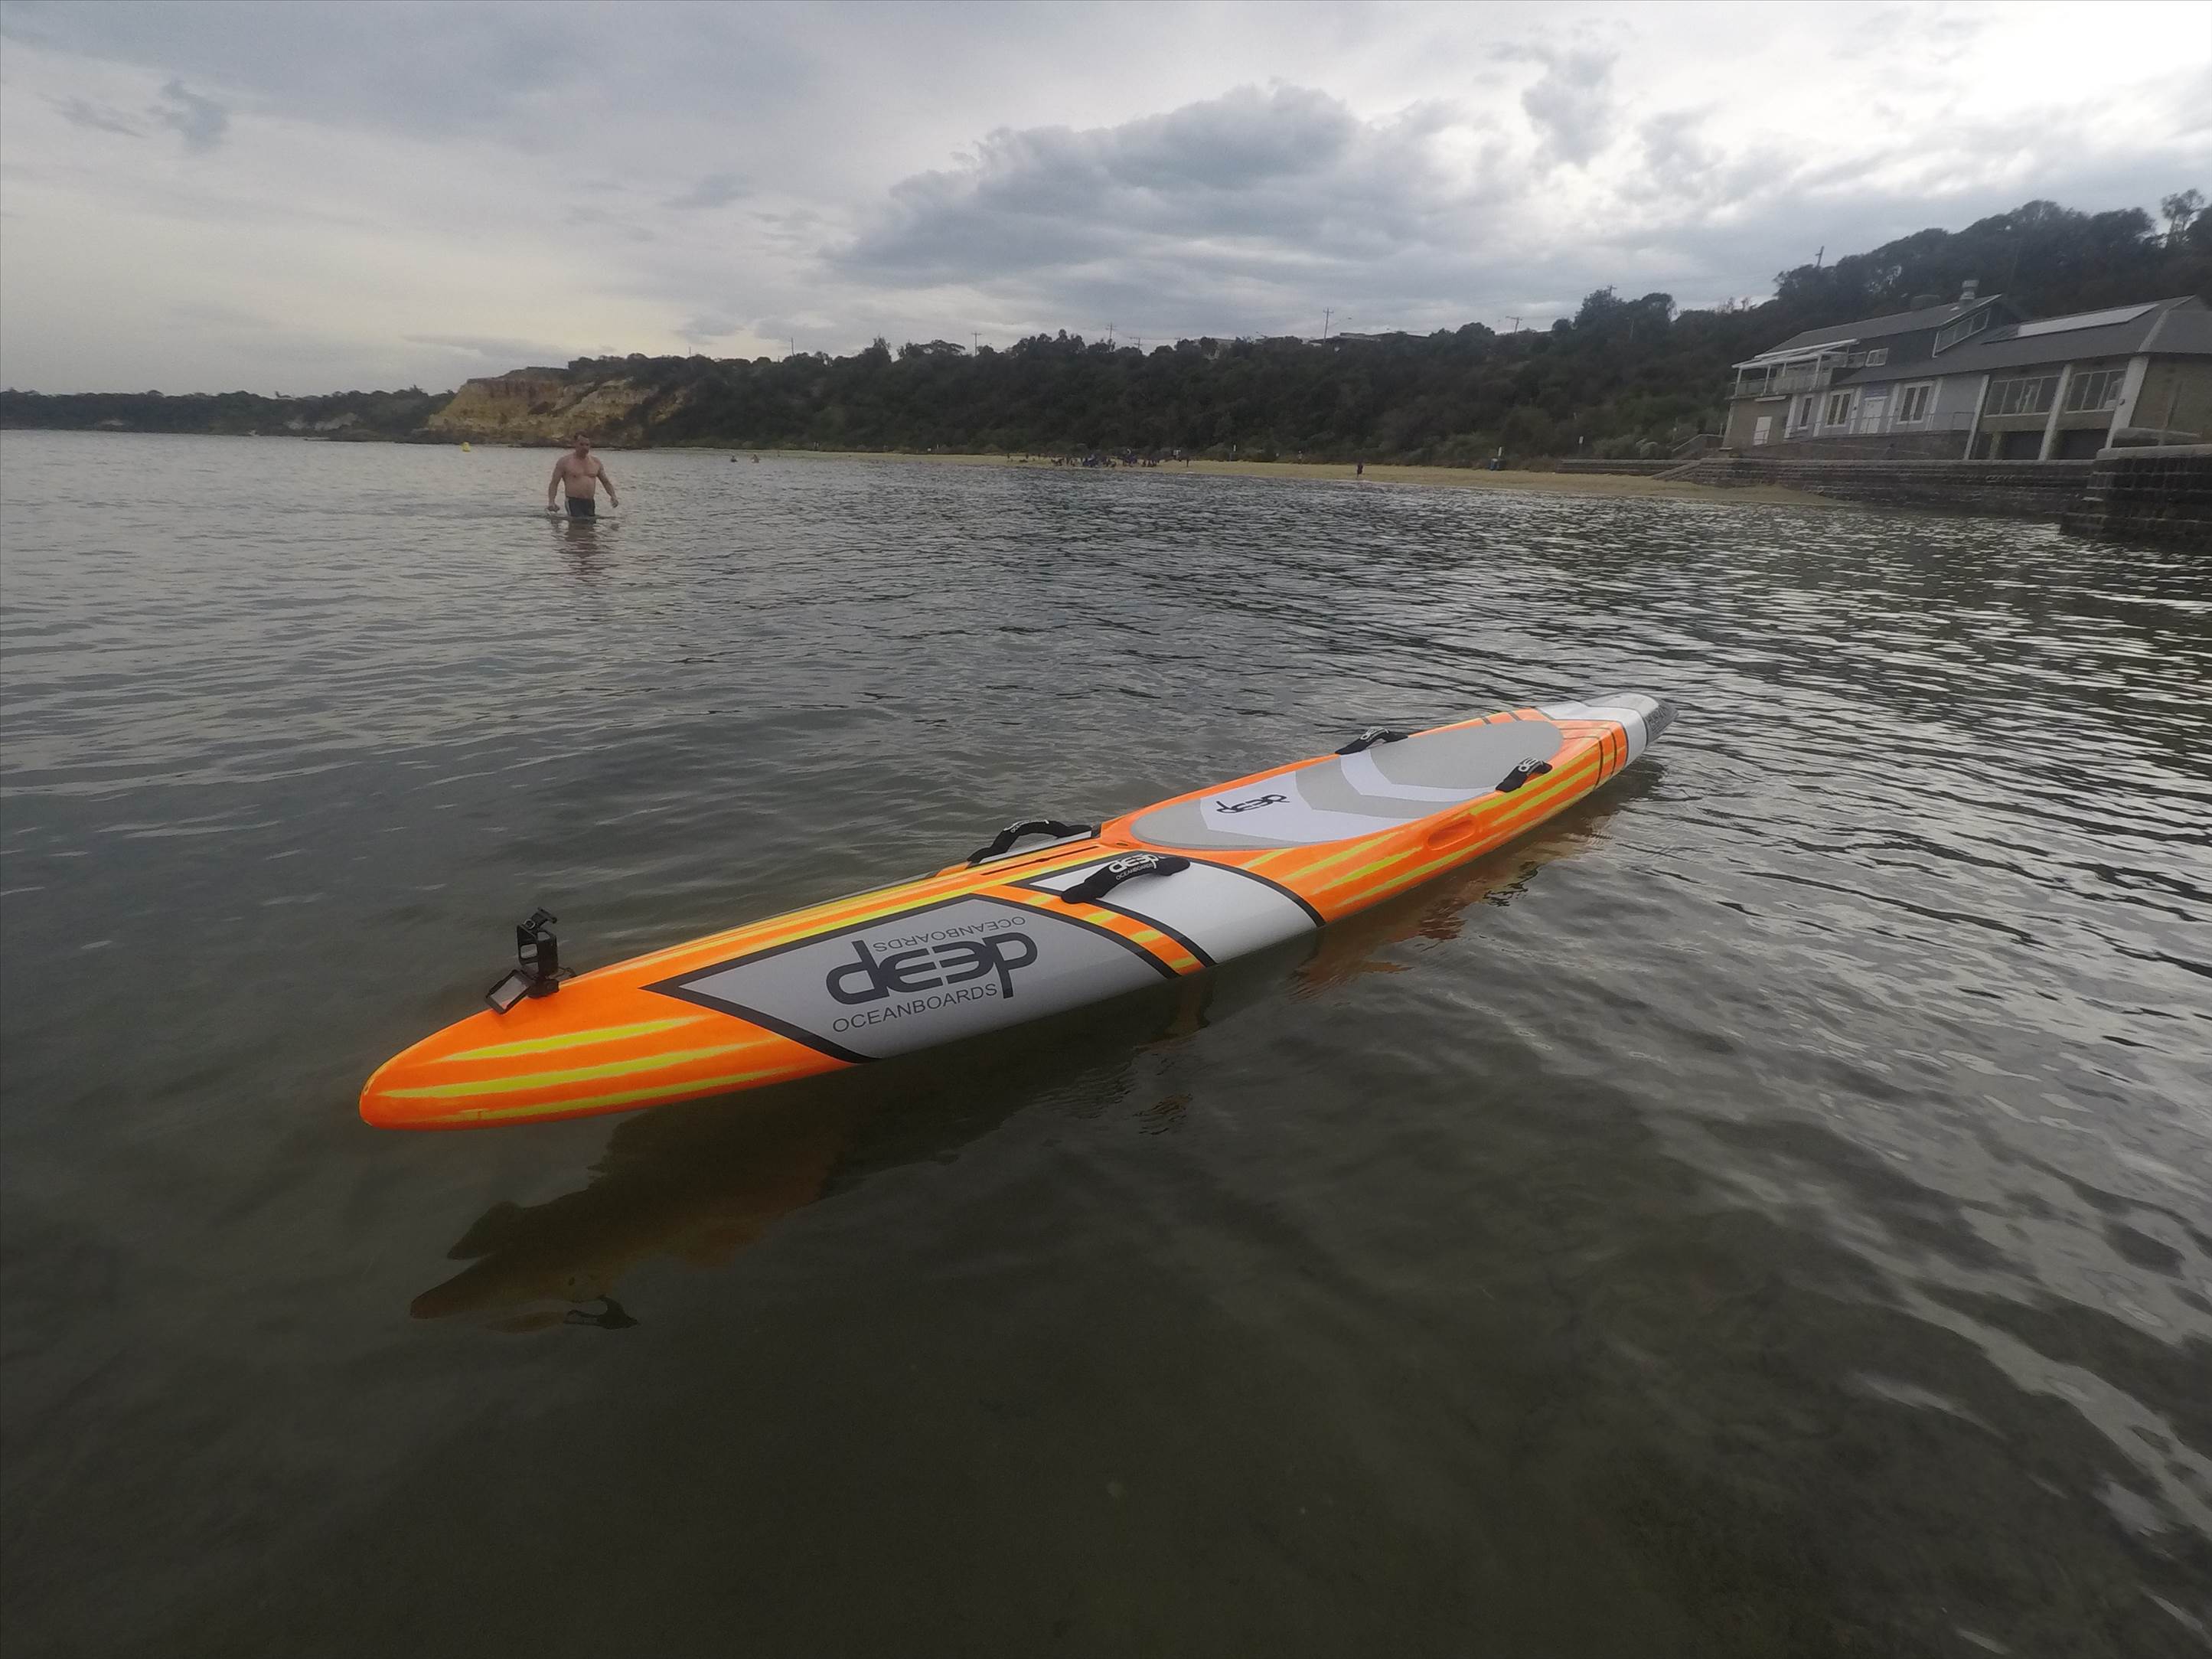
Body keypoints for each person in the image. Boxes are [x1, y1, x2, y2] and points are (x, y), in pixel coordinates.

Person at [546, 435, 618, 518]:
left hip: (590, 502)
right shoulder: (565, 462)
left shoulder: (596, 462)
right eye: (581, 444)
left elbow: (606, 482)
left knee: (590, 524)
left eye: (587, 445)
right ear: (575, 444)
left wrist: (613, 496)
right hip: (573, 501)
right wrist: (551, 501)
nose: (585, 447)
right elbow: (554, 483)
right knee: (577, 524)